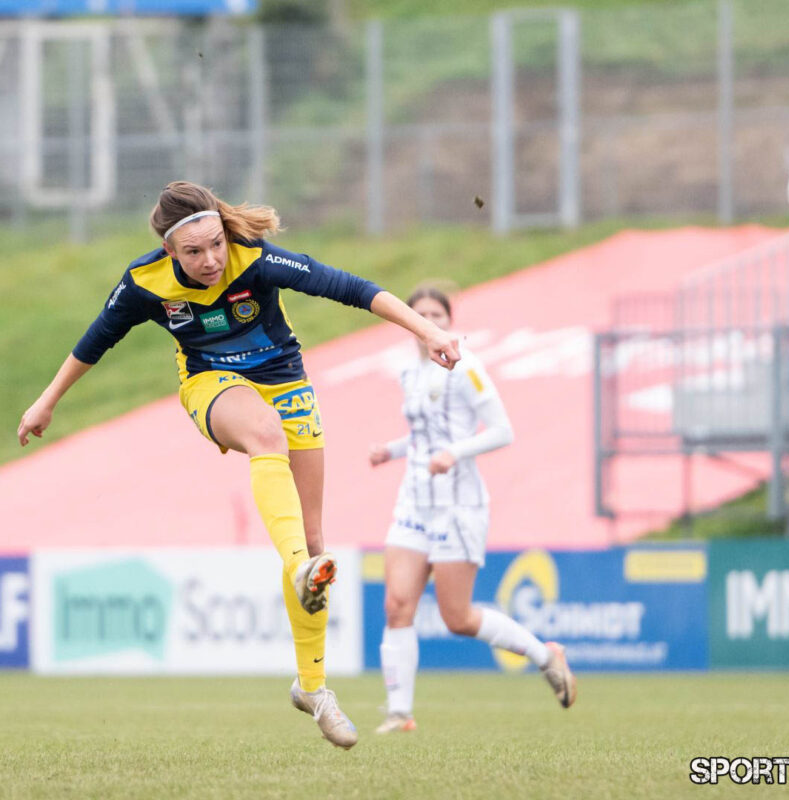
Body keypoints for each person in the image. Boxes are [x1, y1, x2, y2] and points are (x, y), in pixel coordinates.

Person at [16, 181, 461, 750]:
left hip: (285, 377)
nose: (209, 261)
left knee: (316, 541)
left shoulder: (255, 256)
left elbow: (352, 288)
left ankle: (313, 688)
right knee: (265, 437)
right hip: (210, 385)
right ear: (170, 252)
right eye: (193, 253)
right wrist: (47, 400)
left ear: (225, 232)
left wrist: (429, 331)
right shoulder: (143, 282)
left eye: (215, 246)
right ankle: (299, 564)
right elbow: (95, 341)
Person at [368, 285, 576, 734]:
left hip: (457, 505)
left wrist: (456, 453)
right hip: (414, 500)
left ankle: (546, 656)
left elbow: (503, 431)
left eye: (436, 314)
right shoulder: (409, 371)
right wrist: (393, 449)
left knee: (456, 617)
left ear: (449, 320)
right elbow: (426, 438)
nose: (429, 322)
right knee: (397, 603)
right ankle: (400, 713)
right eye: (419, 314)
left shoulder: (466, 367)